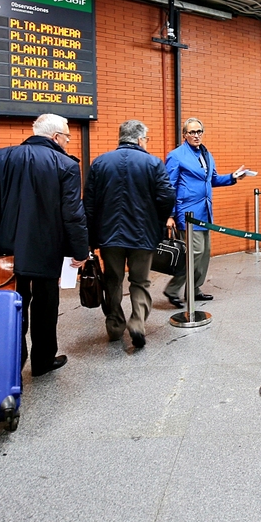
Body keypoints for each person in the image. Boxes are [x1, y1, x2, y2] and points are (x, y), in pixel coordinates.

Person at [0, 113, 88, 377]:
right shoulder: (65, 165)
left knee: (13, 305)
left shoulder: (1, 158)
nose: (68, 142)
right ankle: (43, 361)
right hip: (47, 248)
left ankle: (14, 359)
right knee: (46, 306)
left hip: (7, 249)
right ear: (56, 137)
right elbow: (72, 214)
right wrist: (80, 251)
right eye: (67, 137)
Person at [86, 120, 175, 351]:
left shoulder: (100, 163)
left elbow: (89, 203)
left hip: (109, 236)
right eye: (147, 139)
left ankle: (115, 326)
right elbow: (167, 197)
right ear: (139, 139)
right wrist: (156, 222)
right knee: (140, 281)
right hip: (142, 235)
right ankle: (137, 323)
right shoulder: (153, 163)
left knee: (112, 281)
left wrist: (91, 235)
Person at [163, 118, 247, 308]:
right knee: (195, 252)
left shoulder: (206, 154)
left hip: (205, 211)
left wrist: (233, 177)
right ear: (184, 134)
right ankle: (173, 288)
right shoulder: (176, 156)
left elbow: (213, 180)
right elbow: (169, 187)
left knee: (204, 253)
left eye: (199, 131)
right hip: (187, 212)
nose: (196, 135)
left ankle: (194, 289)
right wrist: (169, 215)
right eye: (192, 132)